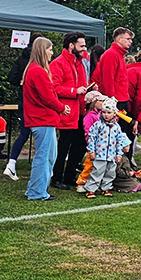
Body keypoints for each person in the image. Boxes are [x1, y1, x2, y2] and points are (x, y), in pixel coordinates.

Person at [23, 37, 71, 202]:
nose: (52, 52)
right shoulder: (38, 71)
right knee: (44, 157)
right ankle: (37, 191)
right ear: (42, 51)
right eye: (50, 49)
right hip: (42, 119)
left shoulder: (34, 70)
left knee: (47, 156)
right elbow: (47, 97)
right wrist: (61, 108)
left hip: (43, 119)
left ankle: (36, 189)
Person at [49, 32, 88, 191]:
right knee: (63, 146)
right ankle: (57, 177)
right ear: (71, 45)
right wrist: (74, 91)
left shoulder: (79, 63)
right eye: (81, 46)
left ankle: (69, 175)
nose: (84, 49)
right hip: (67, 111)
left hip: (79, 111)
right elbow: (54, 88)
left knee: (80, 143)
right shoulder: (58, 63)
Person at [93, 27, 134, 153]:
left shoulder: (119, 55)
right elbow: (108, 80)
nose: (130, 41)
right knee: (117, 133)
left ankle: (121, 160)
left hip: (121, 99)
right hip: (116, 101)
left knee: (123, 133)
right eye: (128, 39)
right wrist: (111, 102)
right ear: (118, 39)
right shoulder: (111, 55)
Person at [84, 98, 130, 199]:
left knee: (110, 172)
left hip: (112, 155)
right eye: (104, 112)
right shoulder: (98, 125)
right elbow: (92, 138)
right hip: (100, 154)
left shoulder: (116, 127)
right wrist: (92, 151)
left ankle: (106, 188)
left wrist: (119, 154)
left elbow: (119, 141)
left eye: (109, 112)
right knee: (97, 171)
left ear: (114, 113)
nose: (106, 115)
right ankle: (91, 189)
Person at [3, 41, 36, 180]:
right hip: (35, 102)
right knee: (41, 135)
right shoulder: (37, 62)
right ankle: (44, 168)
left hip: (23, 99)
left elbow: (11, 77)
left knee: (24, 133)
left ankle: (11, 163)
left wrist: (21, 84)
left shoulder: (22, 59)